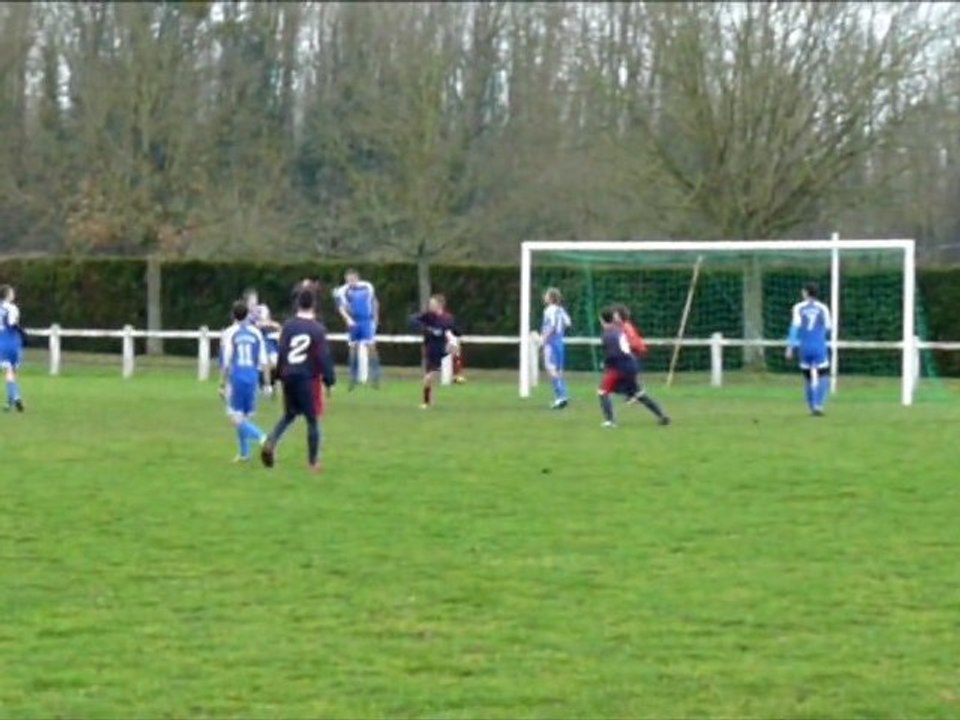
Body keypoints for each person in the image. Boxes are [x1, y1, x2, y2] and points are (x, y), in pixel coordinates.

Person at [261, 288, 336, 472]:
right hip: (306, 378)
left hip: (289, 375)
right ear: (314, 305)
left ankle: (271, 441)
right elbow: (322, 357)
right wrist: (329, 380)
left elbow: (282, 352)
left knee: (289, 414)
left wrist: (275, 377)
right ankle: (313, 463)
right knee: (312, 420)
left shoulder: (288, 326)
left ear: (297, 304)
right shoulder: (317, 329)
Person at [597, 307, 670, 428]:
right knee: (637, 393)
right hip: (631, 364)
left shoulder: (607, 334)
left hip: (620, 366)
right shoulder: (618, 331)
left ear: (602, 320)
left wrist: (605, 363)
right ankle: (662, 416)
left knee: (602, 391)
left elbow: (614, 353)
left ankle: (610, 421)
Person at [220, 301, 269, 462]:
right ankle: (244, 453)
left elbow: (226, 362)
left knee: (235, 418)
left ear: (233, 316)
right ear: (247, 315)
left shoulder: (230, 333)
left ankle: (262, 437)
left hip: (237, 378)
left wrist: (222, 384)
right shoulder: (256, 333)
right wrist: (267, 384)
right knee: (243, 418)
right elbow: (264, 361)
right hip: (253, 378)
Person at [786, 282, 832, 416]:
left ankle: (811, 406)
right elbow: (828, 327)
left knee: (807, 377)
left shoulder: (798, 308)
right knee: (823, 374)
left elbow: (794, 328)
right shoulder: (823, 308)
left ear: (806, 293)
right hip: (819, 346)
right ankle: (819, 405)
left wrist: (790, 347)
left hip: (804, 347)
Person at [333, 269, 381, 389]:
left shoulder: (367, 286)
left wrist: (375, 319)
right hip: (354, 322)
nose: (350, 282)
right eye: (348, 280)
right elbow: (341, 308)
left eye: (352, 279)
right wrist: (348, 320)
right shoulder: (342, 291)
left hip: (366, 321)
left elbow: (374, 302)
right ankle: (352, 378)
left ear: (357, 278)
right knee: (353, 348)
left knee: (371, 347)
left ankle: (375, 377)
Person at [410, 294, 461, 409]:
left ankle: (458, 374)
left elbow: (455, 329)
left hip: (441, 347)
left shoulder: (447, 318)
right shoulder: (428, 316)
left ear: (440, 305)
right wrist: (426, 328)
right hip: (430, 349)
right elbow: (412, 319)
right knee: (429, 376)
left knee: (454, 350)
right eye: (430, 304)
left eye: (432, 304)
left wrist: (453, 333)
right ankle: (426, 401)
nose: (430, 306)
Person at [541, 287, 572, 409]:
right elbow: (568, 323)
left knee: (551, 369)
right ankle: (562, 396)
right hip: (560, 341)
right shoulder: (561, 310)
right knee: (557, 370)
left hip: (551, 342)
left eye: (546, 295)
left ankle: (561, 396)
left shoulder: (549, 310)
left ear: (551, 298)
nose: (545, 297)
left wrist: (544, 339)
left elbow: (552, 326)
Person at [0, 285, 25, 412]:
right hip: (14, 341)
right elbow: (12, 324)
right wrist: (22, 332)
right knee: (13, 372)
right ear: (7, 294)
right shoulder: (12, 308)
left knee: (8, 372)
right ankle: (13, 400)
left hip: (2, 341)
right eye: (12, 292)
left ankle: (12, 400)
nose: (13, 294)